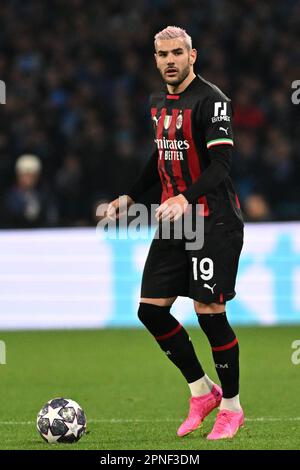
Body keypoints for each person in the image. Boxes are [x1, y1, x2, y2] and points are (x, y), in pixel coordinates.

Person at [107, 26, 244, 440]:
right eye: (163, 54)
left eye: (177, 53)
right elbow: (160, 153)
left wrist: (185, 197)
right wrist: (132, 195)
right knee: (150, 310)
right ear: (155, 59)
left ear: (192, 55)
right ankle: (202, 392)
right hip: (175, 221)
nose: (170, 60)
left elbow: (221, 165)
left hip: (211, 220)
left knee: (210, 315)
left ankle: (232, 409)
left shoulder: (213, 101)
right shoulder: (158, 103)